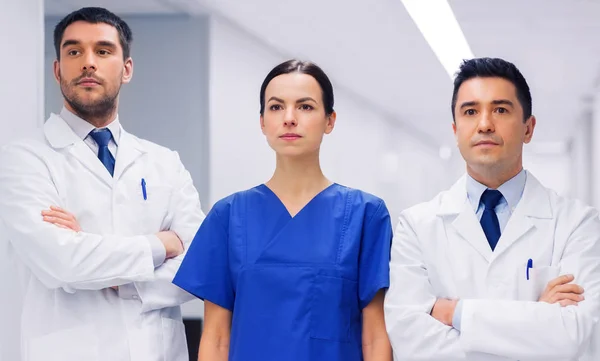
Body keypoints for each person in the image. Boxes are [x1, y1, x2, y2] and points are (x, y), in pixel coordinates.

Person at [0, 7, 204, 361]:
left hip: (156, 351)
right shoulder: (23, 159)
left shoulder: (164, 162)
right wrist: (160, 245)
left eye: (103, 51)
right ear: (57, 69)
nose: (87, 63)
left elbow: (198, 265)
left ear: (127, 69)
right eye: (73, 51)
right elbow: (63, 261)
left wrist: (116, 276)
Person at [173, 59, 393, 361]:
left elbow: (374, 337)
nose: (289, 118)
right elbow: (217, 339)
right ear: (262, 122)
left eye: (305, 107)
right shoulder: (227, 216)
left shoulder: (366, 215)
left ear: (330, 120)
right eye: (276, 107)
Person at [384, 57, 600, 360]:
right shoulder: (417, 226)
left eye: (500, 109)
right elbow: (412, 344)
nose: (485, 124)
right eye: (470, 112)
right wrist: (537, 320)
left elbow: (573, 335)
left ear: (528, 128)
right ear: (456, 129)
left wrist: (455, 312)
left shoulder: (577, 223)